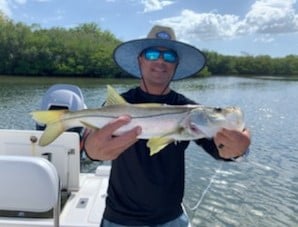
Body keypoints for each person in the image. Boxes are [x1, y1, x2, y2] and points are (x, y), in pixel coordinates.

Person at [84, 25, 251, 226]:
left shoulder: (190, 110)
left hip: (171, 218)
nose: (161, 61)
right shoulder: (118, 105)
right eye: (153, 54)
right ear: (141, 60)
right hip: (119, 218)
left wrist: (239, 149)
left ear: (176, 65)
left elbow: (220, 149)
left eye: (169, 57)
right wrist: (91, 151)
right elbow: (91, 144)